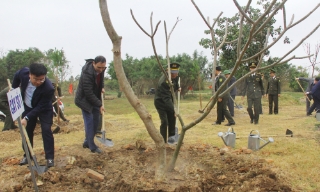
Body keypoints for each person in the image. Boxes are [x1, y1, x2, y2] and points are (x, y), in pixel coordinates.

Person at [12, 63, 55, 168]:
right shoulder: (23, 73)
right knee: (27, 130)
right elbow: (16, 76)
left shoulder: (48, 88)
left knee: (46, 130)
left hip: (44, 109)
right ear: (30, 75)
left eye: (42, 79)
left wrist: (26, 118)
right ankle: (27, 156)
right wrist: (14, 88)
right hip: (28, 106)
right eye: (36, 79)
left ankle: (49, 158)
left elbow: (40, 107)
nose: (39, 82)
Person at [75, 56, 106, 154]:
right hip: (84, 100)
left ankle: (86, 141)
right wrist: (100, 104)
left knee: (96, 122)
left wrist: (102, 87)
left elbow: (101, 80)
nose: (101, 70)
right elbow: (88, 92)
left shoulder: (101, 70)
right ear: (93, 63)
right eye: (99, 68)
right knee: (90, 122)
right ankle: (92, 146)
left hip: (94, 98)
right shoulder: (87, 73)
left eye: (103, 68)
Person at [154, 63, 181, 144]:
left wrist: (178, 87)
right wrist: (174, 110)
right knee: (165, 121)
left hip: (169, 101)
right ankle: (163, 141)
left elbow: (175, 84)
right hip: (161, 103)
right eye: (173, 73)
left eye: (176, 72)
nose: (175, 74)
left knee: (172, 120)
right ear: (167, 71)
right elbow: (166, 98)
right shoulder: (163, 82)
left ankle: (172, 139)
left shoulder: (175, 76)